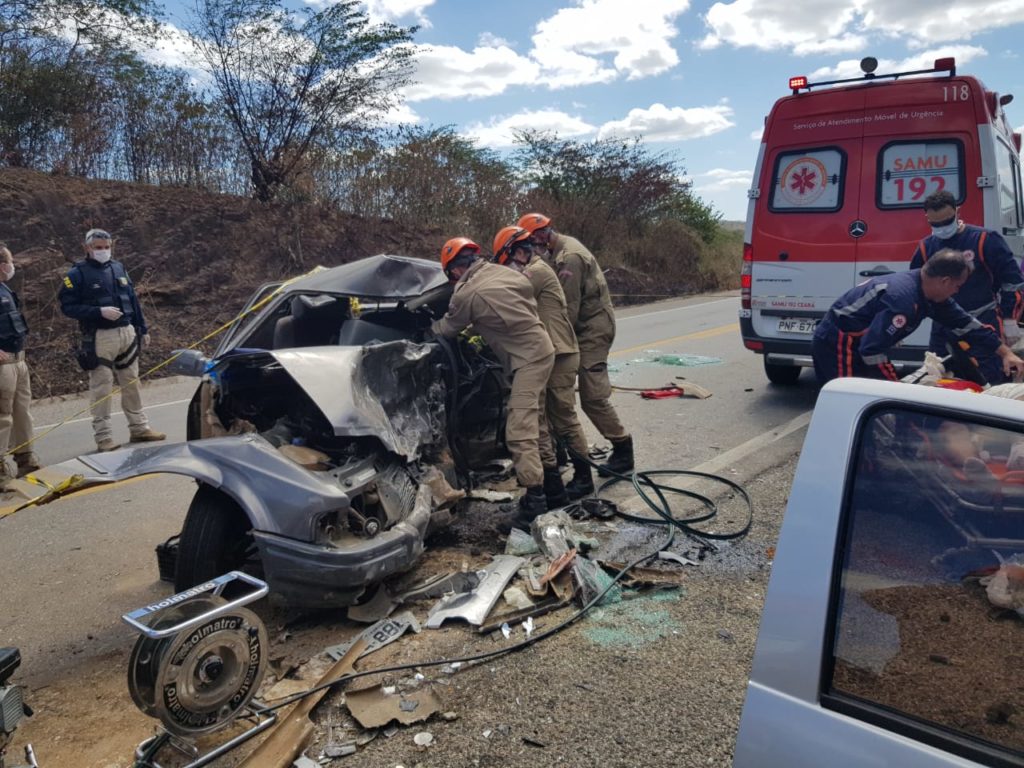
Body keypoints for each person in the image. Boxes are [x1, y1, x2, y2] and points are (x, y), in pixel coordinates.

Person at [430, 237, 555, 528]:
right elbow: (514, 300)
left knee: (519, 432)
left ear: (454, 271)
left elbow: (446, 329)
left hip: (527, 361)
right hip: (542, 349)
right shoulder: (504, 273)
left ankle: (534, 506)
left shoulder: (467, 293)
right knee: (538, 422)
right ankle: (553, 490)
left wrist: (425, 329)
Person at [517, 212, 633, 477]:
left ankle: (623, 448)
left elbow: (566, 310)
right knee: (557, 399)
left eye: (532, 240)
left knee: (592, 397)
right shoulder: (555, 253)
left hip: (592, 329)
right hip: (581, 326)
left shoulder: (569, 257)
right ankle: (561, 449)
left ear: (542, 236)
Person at [812, 248, 1024, 384]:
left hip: (862, 345)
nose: (957, 292)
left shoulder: (931, 295)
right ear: (945, 281)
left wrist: (1005, 353)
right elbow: (872, 350)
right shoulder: (902, 301)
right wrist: (894, 387)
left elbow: (968, 325)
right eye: (957, 286)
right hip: (839, 343)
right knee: (846, 398)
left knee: (865, 397)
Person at [493, 226, 593, 505]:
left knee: (563, 417)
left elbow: (502, 291)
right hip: (548, 352)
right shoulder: (534, 268)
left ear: (518, 252)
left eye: (507, 259)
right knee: (541, 419)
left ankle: (584, 478)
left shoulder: (533, 272)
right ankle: (554, 483)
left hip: (559, 353)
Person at [59, 228, 166, 452]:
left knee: (132, 383)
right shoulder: (76, 274)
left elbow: (133, 300)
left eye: (106, 247)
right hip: (100, 336)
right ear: (87, 248)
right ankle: (104, 437)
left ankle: (139, 428)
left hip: (127, 332)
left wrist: (142, 328)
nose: (103, 251)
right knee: (101, 388)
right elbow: (67, 307)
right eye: (98, 247)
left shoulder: (118, 268)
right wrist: (99, 312)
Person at [910, 190, 1024, 383]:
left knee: (992, 379)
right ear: (927, 219)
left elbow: (1012, 281)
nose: (942, 228)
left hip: (983, 319)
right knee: (937, 378)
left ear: (957, 212)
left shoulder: (984, 239)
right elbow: (916, 287)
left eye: (947, 221)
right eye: (935, 224)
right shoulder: (926, 247)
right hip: (944, 324)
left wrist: (1009, 319)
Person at [0, 245, 40, 485]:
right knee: (3, 417)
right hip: (3, 366)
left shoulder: (5, 289)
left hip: (18, 361)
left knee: (22, 413)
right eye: (9, 261)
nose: (12, 265)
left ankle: (25, 458)